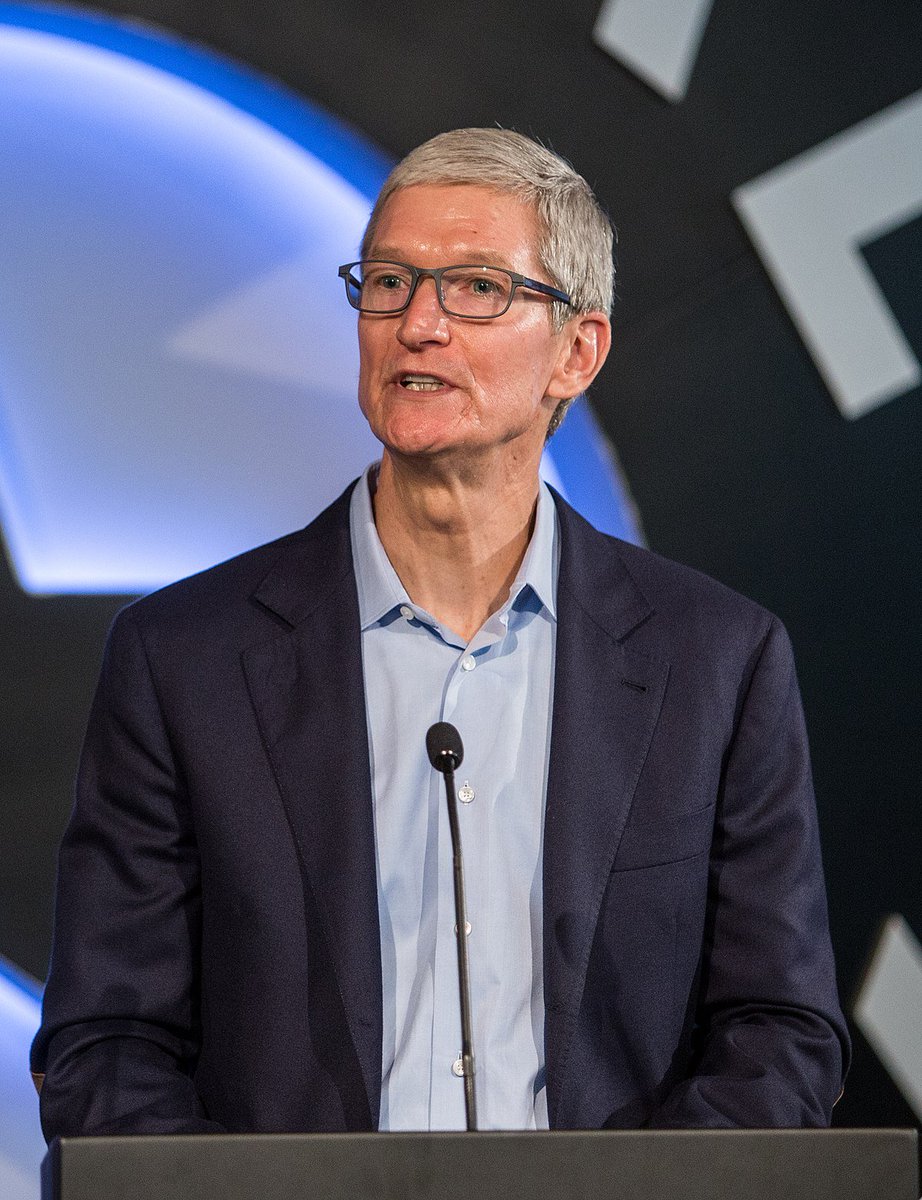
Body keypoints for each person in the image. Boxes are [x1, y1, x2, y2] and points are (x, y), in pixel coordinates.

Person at [32, 128, 849, 1137]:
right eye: (388, 283)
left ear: (577, 352)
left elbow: (779, 1033)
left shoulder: (717, 662)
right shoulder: (181, 660)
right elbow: (107, 1045)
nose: (418, 324)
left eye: (476, 289)